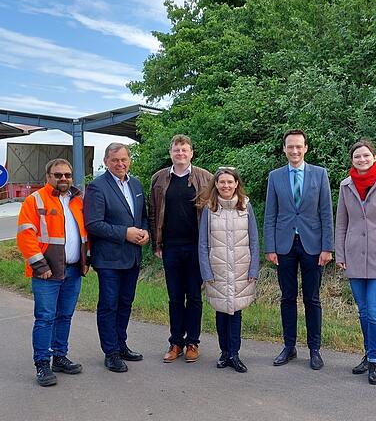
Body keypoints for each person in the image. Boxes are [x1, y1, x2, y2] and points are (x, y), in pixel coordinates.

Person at [263, 129, 334, 370]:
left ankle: (315, 349)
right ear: (284, 149)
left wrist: (327, 247)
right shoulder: (275, 176)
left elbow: (326, 212)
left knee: (312, 299)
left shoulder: (319, 174)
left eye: (298, 147)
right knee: (287, 297)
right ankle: (289, 347)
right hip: (284, 245)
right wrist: (269, 247)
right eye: (290, 147)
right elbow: (270, 213)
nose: (294, 151)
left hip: (313, 245)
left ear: (306, 148)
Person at [16, 158, 89, 387]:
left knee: (65, 316)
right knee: (45, 318)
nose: (63, 179)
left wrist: (87, 260)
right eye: (58, 175)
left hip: (73, 271)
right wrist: (41, 266)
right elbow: (25, 236)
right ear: (48, 177)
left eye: (67, 175)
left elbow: (85, 233)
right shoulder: (34, 200)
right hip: (47, 273)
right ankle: (42, 364)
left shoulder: (78, 200)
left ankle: (60, 356)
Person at [335, 140, 376, 385]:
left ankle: (375, 360)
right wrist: (339, 254)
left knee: (374, 312)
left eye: (365, 155)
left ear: (374, 157)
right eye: (357, 157)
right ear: (352, 160)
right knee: (363, 312)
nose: (361, 160)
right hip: (353, 257)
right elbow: (341, 222)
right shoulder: (345, 186)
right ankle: (367, 353)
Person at [83, 143, 150, 373]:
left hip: (132, 256)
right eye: (115, 160)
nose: (120, 164)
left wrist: (145, 231)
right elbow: (93, 223)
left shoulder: (136, 183)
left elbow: (142, 216)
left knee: (125, 303)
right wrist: (125, 233)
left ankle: (121, 345)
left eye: (124, 159)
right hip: (109, 259)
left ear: (129, 159)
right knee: (109, 305)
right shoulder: (97, 187)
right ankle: (110, 353)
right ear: (106, 162)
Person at [149, 134, 213, 363]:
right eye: (177, 150)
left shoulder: (206, 177)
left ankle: (193, 342)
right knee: (175, 297)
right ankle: (176, 342)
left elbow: (215, 211)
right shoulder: (159, 179)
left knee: (194, 297)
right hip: (171, 247)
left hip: (197, 247)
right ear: (171, 153)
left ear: (191, 153)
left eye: (185, 150)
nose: (181, 154)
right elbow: (154, 212)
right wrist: (156, 244)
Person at [197, 167, 259, 373]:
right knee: (221, 313)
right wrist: (206, 272)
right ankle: (224, 353)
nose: (226, 186)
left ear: (236, 184)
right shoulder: (209, 208)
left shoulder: (245, 206)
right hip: (218, 269)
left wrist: (253, 268)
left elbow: (254, 240)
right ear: (216, 184)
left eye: (230, 182)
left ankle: (235, 354)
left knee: (236, 312)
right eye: (222, 182)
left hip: (241, 268)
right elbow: (203, 243)